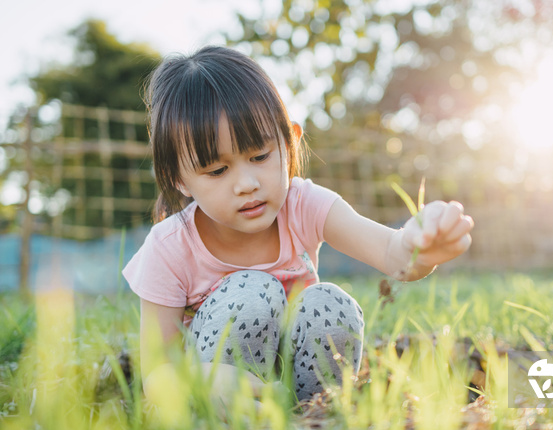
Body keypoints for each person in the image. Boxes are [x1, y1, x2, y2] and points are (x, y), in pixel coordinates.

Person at [123, 45, 473, 405]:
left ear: (289, 142)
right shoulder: (169, 247)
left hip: (300, 381)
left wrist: (420, 245)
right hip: (217, 392)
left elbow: (390, 251)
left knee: (329, 302)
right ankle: (243, 424)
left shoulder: (304, 205)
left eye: (259, 156)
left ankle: (317, 414)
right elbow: (157, 370)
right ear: (178, 179)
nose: (246, 183)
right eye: (217, 171)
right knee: (251, 293)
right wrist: (211, 384)